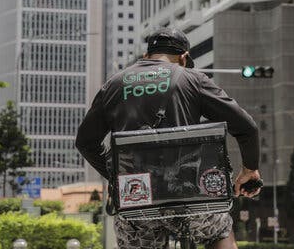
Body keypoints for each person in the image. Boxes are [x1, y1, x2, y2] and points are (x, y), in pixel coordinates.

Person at [76, 27, 261, 249]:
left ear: (146, 57)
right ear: (183, 58)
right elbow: (247, 127)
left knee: (136, 233)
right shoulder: (193, 79)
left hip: (137, 198)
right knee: (218, 231)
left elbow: (85, 142)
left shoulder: (114, 85)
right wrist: (249, 170)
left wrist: (117, 174)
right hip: (191, 196)